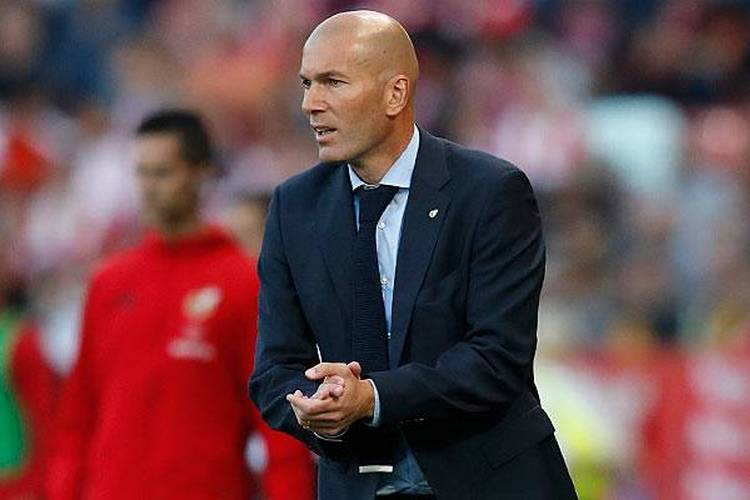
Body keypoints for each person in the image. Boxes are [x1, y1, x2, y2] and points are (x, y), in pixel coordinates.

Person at [249, 10, 577, 500]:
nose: (310, 104)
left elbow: (497, 357)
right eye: (306, 83)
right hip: (357, 485)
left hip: (485, 480)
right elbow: (274, 369)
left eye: (333, 82)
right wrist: (318, 409)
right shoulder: (294, 207)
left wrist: (373, 397)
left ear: (396, 93)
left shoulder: (489, 192)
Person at [47, 109, 314, 500]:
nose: (148, 187)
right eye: (142, 173)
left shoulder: (243, 284)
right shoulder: (109, 283)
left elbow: (278, 428)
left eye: (162, 173)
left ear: (202, 173)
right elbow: (76, 418)